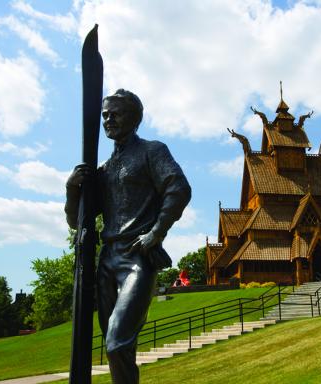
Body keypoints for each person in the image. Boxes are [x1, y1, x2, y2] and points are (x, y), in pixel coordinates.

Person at [65, 89, 191, 383]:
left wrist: (155, 233)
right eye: (105, 115)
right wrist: (72, 189)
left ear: (133, 118)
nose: (108, 119)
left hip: (137, 256)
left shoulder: (152, 151)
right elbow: (77, 221)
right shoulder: (104, 171)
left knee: (116, 341)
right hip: (107, 259)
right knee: (118, 345)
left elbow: (179, 189)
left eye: (115, 113)